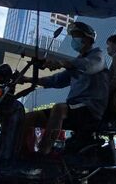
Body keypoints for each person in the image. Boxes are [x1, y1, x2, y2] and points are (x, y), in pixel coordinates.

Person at [20, 22, 109, 155]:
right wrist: (27, 79)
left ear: (87, 39)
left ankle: (45, 153)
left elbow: (88, 67)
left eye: (76, 36)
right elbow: (56, 80)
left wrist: (61, 63)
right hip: (73, 110)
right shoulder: (77, 62)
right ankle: (17, 155)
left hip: (90, 109)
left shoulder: (98, 56)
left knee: (59, 108)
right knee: (29, 117)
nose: (73, 40)